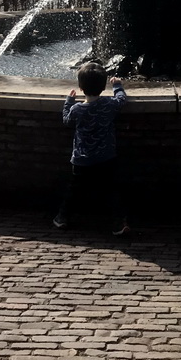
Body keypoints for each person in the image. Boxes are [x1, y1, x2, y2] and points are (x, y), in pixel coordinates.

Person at [54, 62, 129, 235]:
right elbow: (121, 100)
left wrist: (68, 101)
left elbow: (66, 120)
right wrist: (117, 85)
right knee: (111, 191)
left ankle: (62, 218)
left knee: (74, 191)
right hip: (106, 157)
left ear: (80, 87)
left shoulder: (77, 109)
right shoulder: (109, 105)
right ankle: (118, 223)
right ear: (103, 87)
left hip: (82, 159)